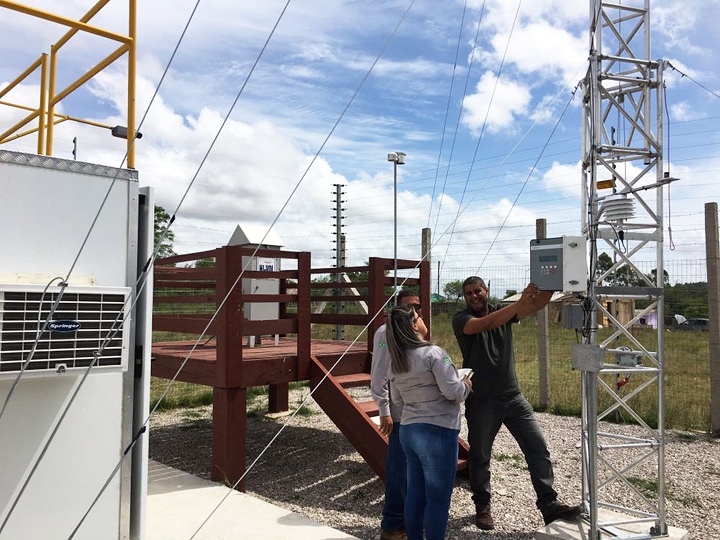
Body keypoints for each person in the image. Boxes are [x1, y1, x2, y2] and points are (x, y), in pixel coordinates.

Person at [452, 276, 582, 530]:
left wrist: (548, 283)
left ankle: (549, 506)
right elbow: (485, 324)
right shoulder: (462, 319)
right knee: (480, 456)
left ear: (486, 290)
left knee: (537, 448)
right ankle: (483, 507)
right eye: (468, 293)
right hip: (482, 401)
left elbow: (535, 305)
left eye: (477, 291)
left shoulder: (504, 311)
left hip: (514, 397)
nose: (473, 296)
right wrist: (520, 302)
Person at [387, 304, 472, 540]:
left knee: (416, 493)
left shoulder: (396, 360)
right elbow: (453, 392)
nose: (422, 318)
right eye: (418, 316)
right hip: (438, 431)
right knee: (438, 498)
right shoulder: (434, 353)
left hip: (409, 430)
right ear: (414, 325)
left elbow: (396, 400)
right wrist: (465, 384)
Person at [370, 290, 425, 540]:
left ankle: (410, 520)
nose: (414, 311)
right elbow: (379, 376)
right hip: (400, 413)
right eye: (408, 307)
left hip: (420, 412)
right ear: (396, 309)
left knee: (416, 470)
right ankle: (392, 526)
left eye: (417, 307)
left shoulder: (417, 331)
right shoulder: (385, 333)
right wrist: (384, 411)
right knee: (398, 471)